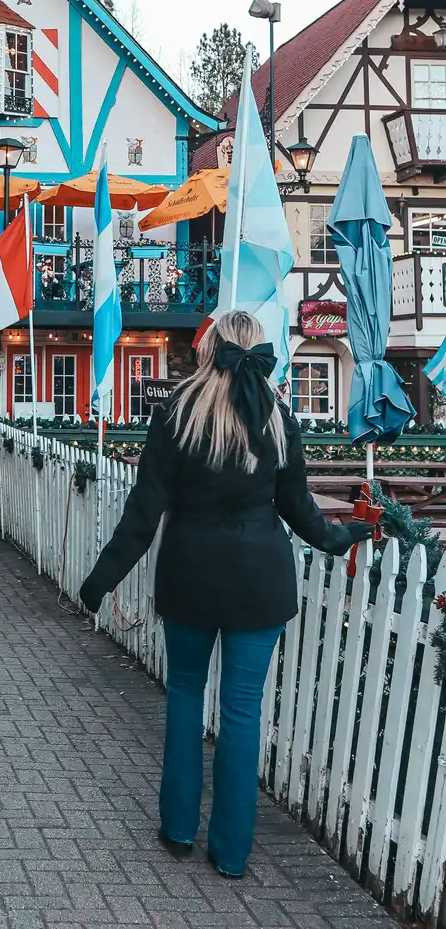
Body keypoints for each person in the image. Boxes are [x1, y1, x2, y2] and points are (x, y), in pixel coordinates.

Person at [78, 310, 373, 878]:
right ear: (256, 352)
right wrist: (341, 538)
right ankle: (233, 852)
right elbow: (302, 512)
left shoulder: (176, 414)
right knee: (242, 712)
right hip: (259, 583)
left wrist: (99, 583)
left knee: (186, 700)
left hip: (190, 577)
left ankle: (178, 831)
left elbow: (143, 513)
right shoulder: (280, 419)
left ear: (209, 348)